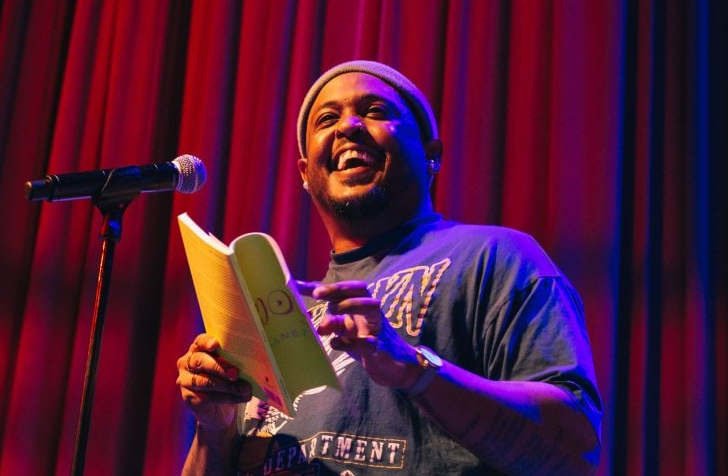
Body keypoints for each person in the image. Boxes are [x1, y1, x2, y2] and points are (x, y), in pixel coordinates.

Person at [176, 60, 602, 475]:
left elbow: (575, 451)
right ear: (305, 173)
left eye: (375, 111)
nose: (347, 126)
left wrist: (413, 369)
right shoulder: (278, 313)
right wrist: (215, 427)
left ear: (431, 154)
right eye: (327, 119)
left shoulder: (495, 256)